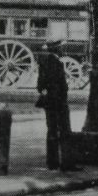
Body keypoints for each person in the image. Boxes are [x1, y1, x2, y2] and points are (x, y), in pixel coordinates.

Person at [36, 39, 74, 171]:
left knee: (51, 130)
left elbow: (40, 85)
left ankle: (52, 162)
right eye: (61, 48)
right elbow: (60, 85)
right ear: (57, 49)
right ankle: (67, 163)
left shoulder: (44, 62)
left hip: (50, 102)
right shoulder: (56, 63)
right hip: (59, 102)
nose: (63, 50)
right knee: (64, 131)